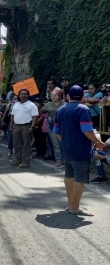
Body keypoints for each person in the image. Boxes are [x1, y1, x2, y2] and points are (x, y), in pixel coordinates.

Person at [54, 85, 104, 216]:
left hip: (67, 148)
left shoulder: (60, 110)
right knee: (80, 178)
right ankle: (75, 208)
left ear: (68, 96)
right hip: (81, 149)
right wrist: (97, 141)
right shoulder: (83, 109)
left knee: (69, 176)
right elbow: (87, 130)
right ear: (83, 97)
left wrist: (65, 141)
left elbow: (57, 131)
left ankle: (70, 204)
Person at [10, 88, 38, 168]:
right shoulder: (16, 104)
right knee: (16, 144)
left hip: (27, 126)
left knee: (26, 144)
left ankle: (26, 161)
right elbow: (12, 116)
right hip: (16, 126)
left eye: (25, 94)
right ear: (19, 95)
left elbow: (34, 117)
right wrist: (11, 125)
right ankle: (18, 159)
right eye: (22, 94)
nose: (23, 95)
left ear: (28, 95)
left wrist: (32, 127)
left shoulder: (32, 105)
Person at [44, 89, 65, 168]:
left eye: (55, 95)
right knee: (56, 144)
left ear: (60, 96)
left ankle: (66, 160)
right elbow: (42, 112)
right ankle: (59, 160)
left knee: (63, 143)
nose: (53, 97)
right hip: (52, 126)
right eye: (52, 95)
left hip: (63, 126)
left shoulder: (65, 104)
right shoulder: (48, 105)